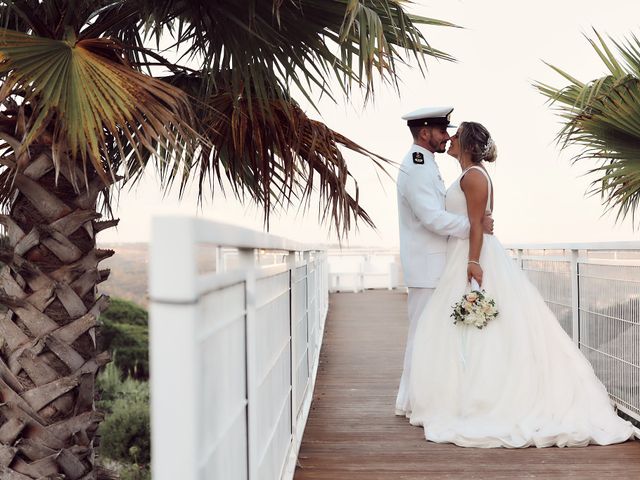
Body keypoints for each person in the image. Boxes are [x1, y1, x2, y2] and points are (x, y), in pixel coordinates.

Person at [408, 121, 634, 447]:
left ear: (468, 144)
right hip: (469, 252)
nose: (451, 140)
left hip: (472, 256)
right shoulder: (474, 174)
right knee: (473, 328)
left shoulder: (473, 176)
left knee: (477, 328)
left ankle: (480, 399)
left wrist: (472, 262)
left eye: (456, 136)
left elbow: (475, 225)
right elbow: (478, 222)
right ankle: (468, 395)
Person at [395, 107, 493, 416]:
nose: (447, 136)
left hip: (441, 264)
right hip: (429, 266)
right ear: (425, 133)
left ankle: (422, 399)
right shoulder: (417, 165)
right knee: (422, 336)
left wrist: (475, 227)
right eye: (441, 131)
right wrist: (473, 226)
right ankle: (411, 401)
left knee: (436, 335)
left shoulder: (426, 163)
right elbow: (430, 217)